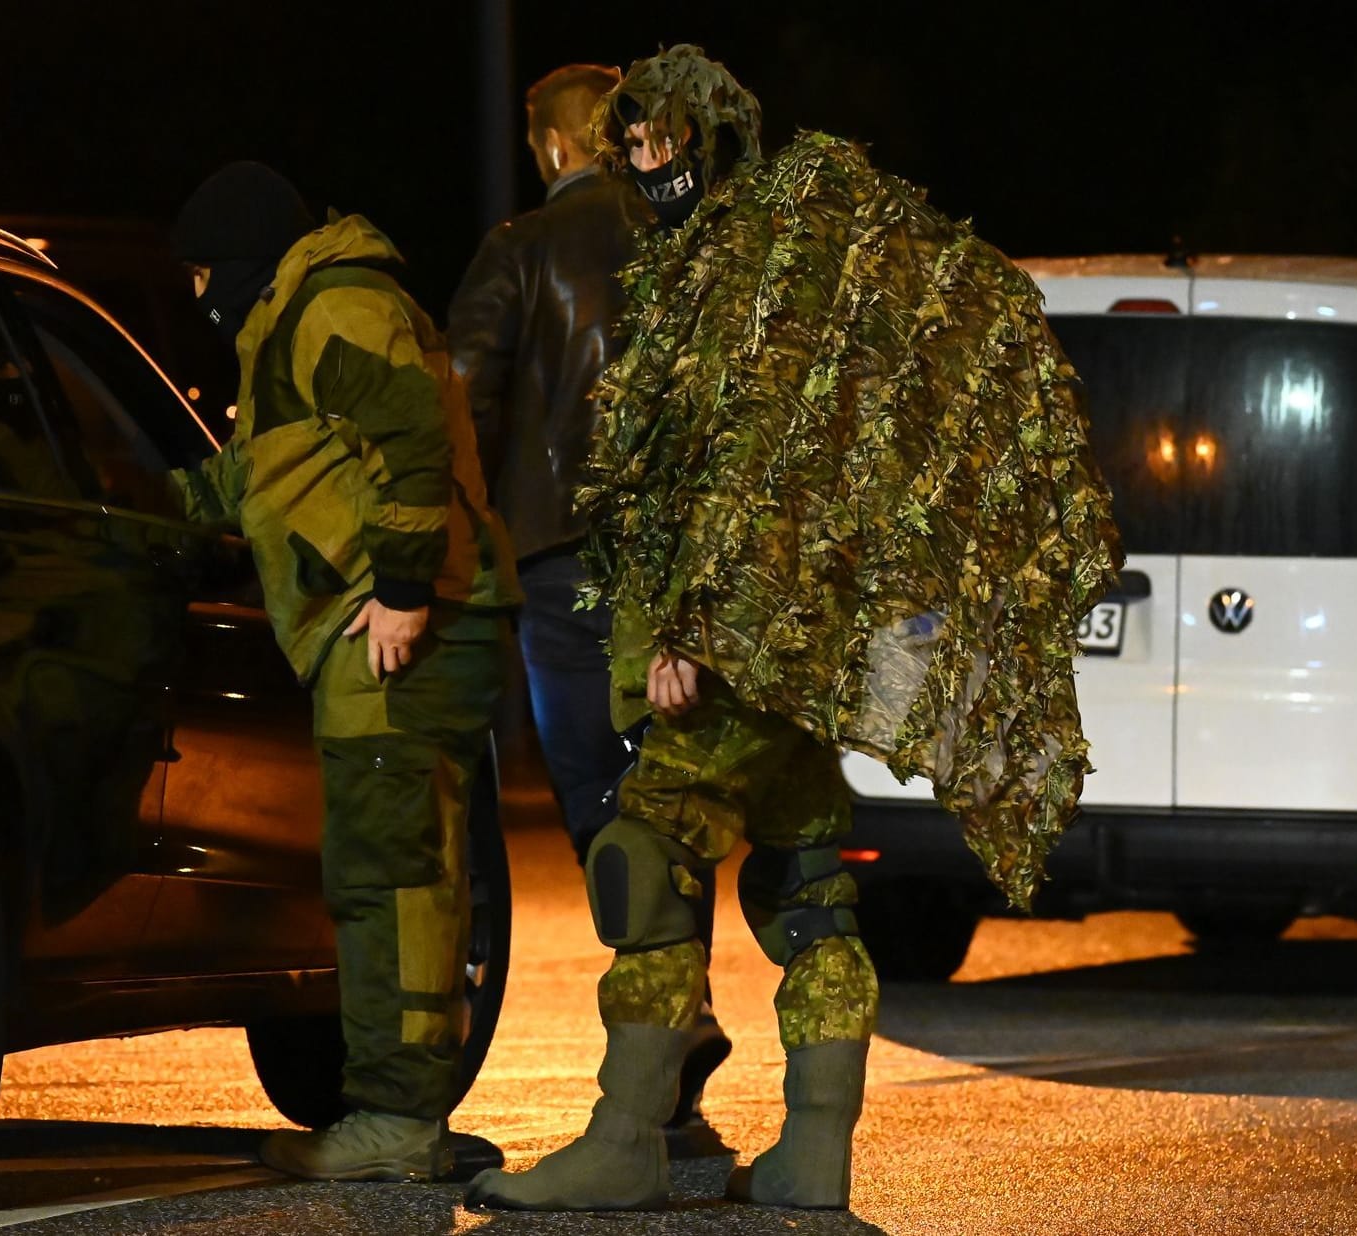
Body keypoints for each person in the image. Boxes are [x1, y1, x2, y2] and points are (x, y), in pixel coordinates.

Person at [467, 46, 1120, 1213]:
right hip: (798, 650)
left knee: (647, 861)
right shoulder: (791, 260)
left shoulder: (731, 276)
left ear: (707, 140)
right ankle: (815, 1151)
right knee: (807, 880)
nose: (647, 161)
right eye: (634, 143)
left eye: (665, 142)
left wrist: (684, 627)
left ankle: (626, 1143)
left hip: (724, 642)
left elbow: (735, 470)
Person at [169, 161, 520, 1182]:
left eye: (201, 275)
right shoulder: (311, 313)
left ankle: (396, 1123)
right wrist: (158, 497)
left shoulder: (333, 308)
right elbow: (281, 466)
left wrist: (405, 591)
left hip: (397, 630)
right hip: (399, 622)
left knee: (391, 880)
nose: (199, 298)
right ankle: (406, 1115)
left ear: (239, 258)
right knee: (407, 876)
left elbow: (412, 445)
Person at [446, 62, 732, 1153]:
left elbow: (460, 399)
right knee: (671, 800)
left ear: (558, 148)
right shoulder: (692, 241)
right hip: (678, 567)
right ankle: (678, 1080)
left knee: (602, 800)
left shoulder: (521, 249)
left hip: (565, 563)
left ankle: (665, 1048)